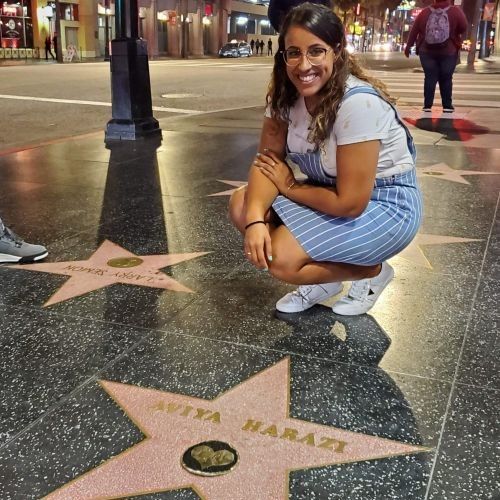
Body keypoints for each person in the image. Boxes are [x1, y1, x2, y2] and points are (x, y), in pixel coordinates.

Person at [229, 3, 422, 316]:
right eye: (294, 53)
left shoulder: (357, 104)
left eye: (316, 51)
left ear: (337, 51)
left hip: (384, 205)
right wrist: (254, 222)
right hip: (328, 194)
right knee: (242, 203)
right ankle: (325, 281)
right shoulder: (284, 97)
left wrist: (290, 187)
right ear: (283, 56)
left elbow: (350, 204)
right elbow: (266, 163)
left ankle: (371, 271)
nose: (304, 65)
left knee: (282, 259)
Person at [404, 0, 467, 113]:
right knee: (446, 77)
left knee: (430, 77)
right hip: (448, 51)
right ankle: (447, 105)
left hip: (426, 51)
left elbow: (414, 30)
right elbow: (463, 27)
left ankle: (427, 105)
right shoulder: (455, 11)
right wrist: (453, 32)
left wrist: (409, 46)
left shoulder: (424, 12)